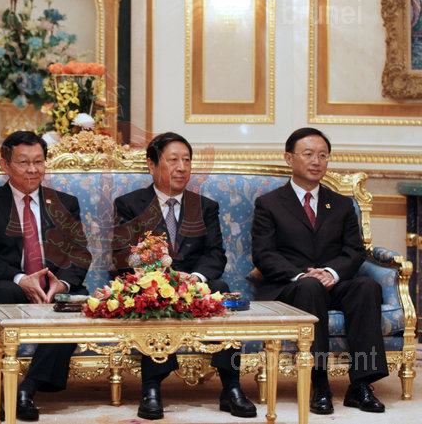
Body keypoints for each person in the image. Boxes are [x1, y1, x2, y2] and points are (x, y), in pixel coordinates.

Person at [112, 132, 256, 420]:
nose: (181, 167)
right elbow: (123, 254)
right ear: (152, 165)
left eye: (187, 160)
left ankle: (231, 387)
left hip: (194, 282)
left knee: (220, 287)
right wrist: (161, 277)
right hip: (150, 281)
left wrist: (196, 277)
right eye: (173, 160)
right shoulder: (129, 204)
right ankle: (151, 387)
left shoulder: (205, 206)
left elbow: (215, 254)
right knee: (152, 295)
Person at [251, 127, 388, 415]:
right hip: (289, 287)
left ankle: (361, 384)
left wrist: (331, 272)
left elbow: (354, 251)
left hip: (330, 283)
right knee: (310, 286)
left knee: (367, 287)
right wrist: (301, 275)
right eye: (309, 154)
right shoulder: (269, 203)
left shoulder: (341, 204)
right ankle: (319, 380)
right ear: (289, 158)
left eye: (323, 155)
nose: (316, 161)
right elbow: (264, 254)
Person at [0, 131, 91, 422]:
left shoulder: (65, 203)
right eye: (23, 162)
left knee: (73, 302)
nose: (33, 169)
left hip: (52, 288)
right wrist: (20, 279)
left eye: (39, 161)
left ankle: (27, 390)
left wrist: (61, 283)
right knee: (4, 294)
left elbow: (79, 254)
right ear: (5, 165)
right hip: (3, 285)